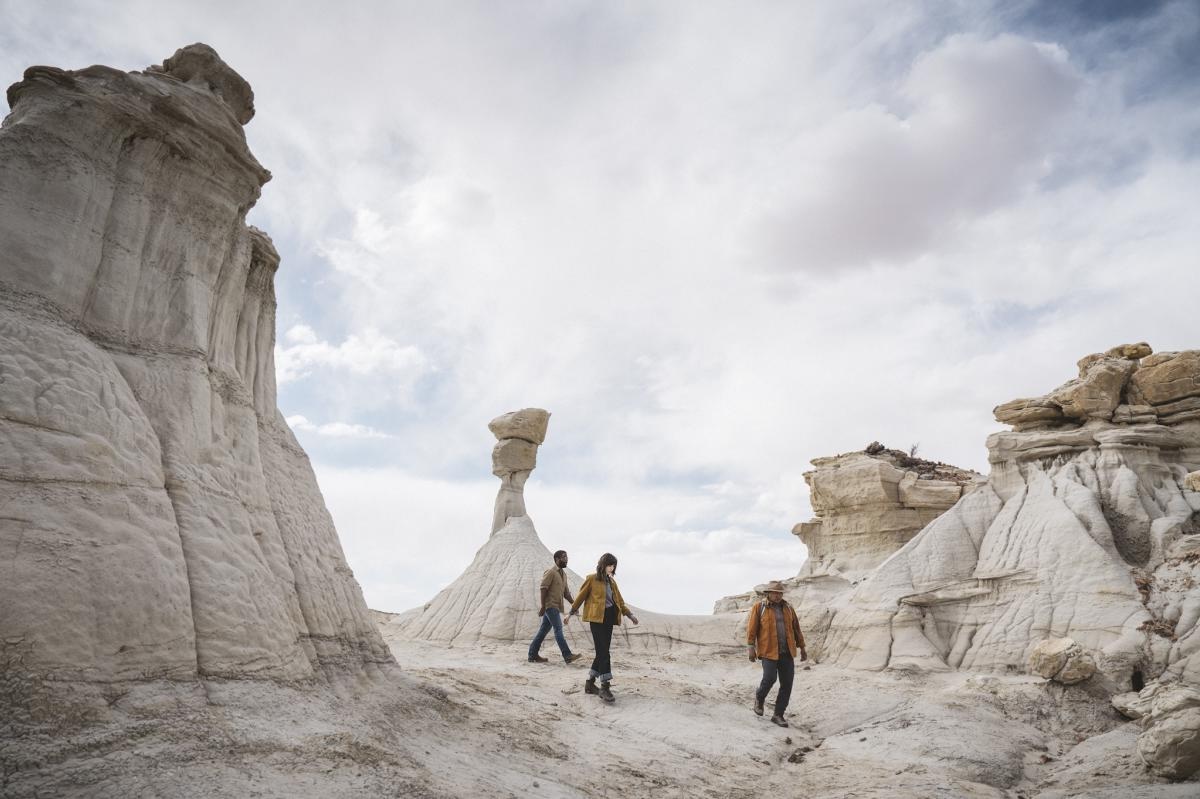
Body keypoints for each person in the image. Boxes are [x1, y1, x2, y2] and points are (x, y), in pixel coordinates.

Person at [566, 552, 638, 702]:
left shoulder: (612, 583)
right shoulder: (592, 579)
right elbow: (580, 597)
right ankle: (605, 687)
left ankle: (590, 684)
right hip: (596, 620)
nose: (611, 568)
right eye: (609, 565)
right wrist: (570, 613)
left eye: (613, 566)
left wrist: (630, 615)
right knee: (604, 652)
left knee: (601, 653)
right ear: (603, 565)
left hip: (609, 619)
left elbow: (620, 602)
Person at [747, 580, 806, 728]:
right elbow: (752, 629)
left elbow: (796, 629)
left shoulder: (788, 608)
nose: (777, 595)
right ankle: (759, 699)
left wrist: (802, 647)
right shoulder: (759, 607)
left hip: (787, 652)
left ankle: (778, 715)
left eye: (780, 593)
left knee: (787, 684)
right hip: (768, 651)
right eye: (774, 593)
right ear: (768, 593)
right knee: (770, 678)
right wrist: (750, 647)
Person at [528, 550, 583, 664]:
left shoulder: (564, 575)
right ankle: (567, 655)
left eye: (567, 557)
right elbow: (543, 588)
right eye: (564, 557)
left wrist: (575, 605)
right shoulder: (551, 572)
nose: (566, 559)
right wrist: (543, 606)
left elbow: (566, 593)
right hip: (550, 606)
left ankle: (532, 655)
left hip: (557, 606)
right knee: (558, 629)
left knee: (542, 631)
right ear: (557, 559)